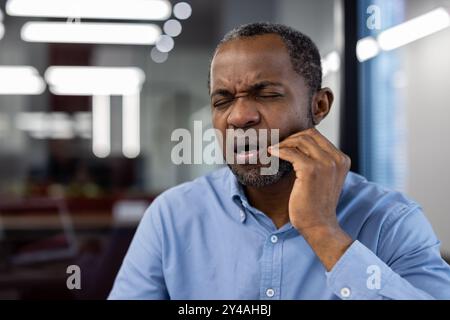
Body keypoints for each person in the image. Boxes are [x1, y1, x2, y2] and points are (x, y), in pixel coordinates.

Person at [109, 22, 450, 300]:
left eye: (267, 94)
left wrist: (324, 232)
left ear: (319, 106)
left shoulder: (390, 220)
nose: (240, 117)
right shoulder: (172, 216)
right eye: (223, 100)